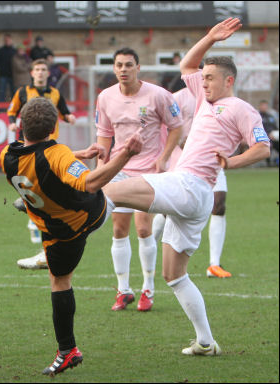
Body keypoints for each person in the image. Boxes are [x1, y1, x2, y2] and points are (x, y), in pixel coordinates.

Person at [102, 18, 270, 356]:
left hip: (190, 186)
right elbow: (187, 64)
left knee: (107, 190)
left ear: (229, 80)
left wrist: (233, 162)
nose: (203, 82)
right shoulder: (203, 98)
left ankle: (58, 219)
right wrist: (210, 37)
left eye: (210, 78)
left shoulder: (241, 108)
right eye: (203, 78)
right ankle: (206, 342)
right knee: (173, 275)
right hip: (194, 198)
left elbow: (263, 147)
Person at [1, 97, 143, 376]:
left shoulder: (6, 154)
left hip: (66, 227)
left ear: (21, 125)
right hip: (75, 217)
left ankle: (67, 350)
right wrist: (123, 154)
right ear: (54, 127)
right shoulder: (58, 152)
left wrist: (80, 155)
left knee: (59, 281)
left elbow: (67, 171)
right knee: (124, 194)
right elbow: (76, 174)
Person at [96, 47, 183, 312]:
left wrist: (165, 157)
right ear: (114, 68)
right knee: (118, 229)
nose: (123, 69)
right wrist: (102, 164)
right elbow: (104, 133)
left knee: (144, 228)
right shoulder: (105, 97)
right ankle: (123, 290)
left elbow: (177, 126)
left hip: (149, 171)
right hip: (120, 169)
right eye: (119, 65)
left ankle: (148, 288)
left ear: (138, 67)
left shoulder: (158, 95)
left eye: (128, 65)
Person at [152, 87, 233, 279]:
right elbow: (166, 126)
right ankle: (149, 244)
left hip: (212, 159)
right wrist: (179, 141)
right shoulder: (178, 98)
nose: (204, 81)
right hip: (183, 160)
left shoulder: (220, 100)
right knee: (168, 210)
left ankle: (214, 264)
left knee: (219, 205)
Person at [7, 59, 77, 269]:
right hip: (28, 143)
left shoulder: (55, 93)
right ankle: (30, 204)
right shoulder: (22, 92)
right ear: (31, 72)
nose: (40, 73)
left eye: (43, 70)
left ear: (48, 73)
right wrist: (12, 123)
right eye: (37, 69)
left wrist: (70, 117)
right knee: (32, 177)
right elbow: (12, 111)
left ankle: (31, 207)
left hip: (49, 144)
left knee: (46, 181)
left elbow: (64, 112)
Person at [0, 34, 17, 102]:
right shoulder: (0, 51)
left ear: (11, 40)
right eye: (6, 40)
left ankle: (13, 108)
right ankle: (1, 110)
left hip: (12, 75)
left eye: (8, 40)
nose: (7, 41)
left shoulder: (14, 51)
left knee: (13, 93)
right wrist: (1, 68)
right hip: (2, 75)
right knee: (1, 93)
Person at [258, 100, 279, 165]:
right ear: (260, 106)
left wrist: (275, 134)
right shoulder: (257, 116)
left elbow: (275, 128)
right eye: (263, 106)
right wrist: (267, 135)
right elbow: (257, 129)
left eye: (265, 106)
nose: (264, 107)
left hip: (273, 137)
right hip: (263, 137)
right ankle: (268, 163)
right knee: (269, 144)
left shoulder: (270, 117)